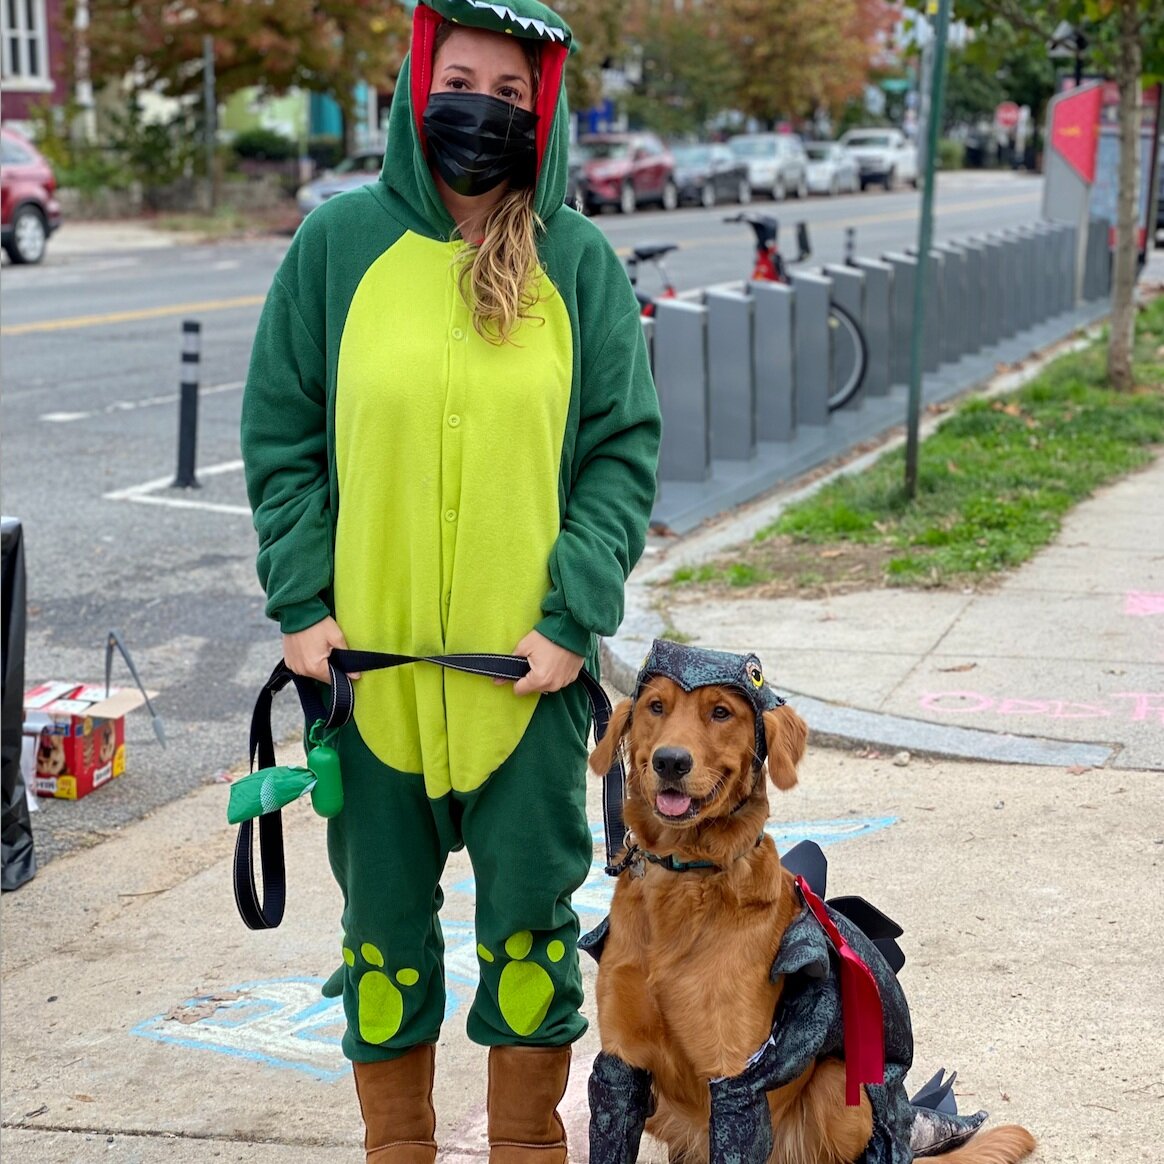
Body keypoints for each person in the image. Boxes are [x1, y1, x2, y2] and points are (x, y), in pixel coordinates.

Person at [240, 1, 661, 1160]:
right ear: (419, 86)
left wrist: (575, 616)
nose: (482, 106)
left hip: (523, 685)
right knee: (381, 946)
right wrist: (302, 603)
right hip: (364, 684)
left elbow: (622, 451)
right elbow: (283, 438)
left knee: (529, 944)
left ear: (544, 111)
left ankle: (526, 1147)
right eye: (461, 78)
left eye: (511, 91)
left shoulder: (576, 262)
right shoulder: (336, 248)